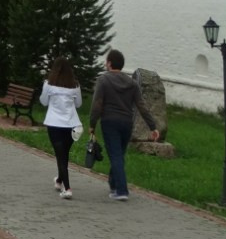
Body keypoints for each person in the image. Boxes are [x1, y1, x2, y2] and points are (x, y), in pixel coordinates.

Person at [88, 48, 160, 202]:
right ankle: (113, 184)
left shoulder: (103, 80)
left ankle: (121, 190)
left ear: (109, 63)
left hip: (109, 122)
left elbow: (97, 105)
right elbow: (142, 106)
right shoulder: (132, 83)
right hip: (127, 123)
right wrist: (153, 127)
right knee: (119, 155)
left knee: (115, 155)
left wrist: (92, 124)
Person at [40, 56, 82, 199]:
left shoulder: (48, 84)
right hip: (71, 124)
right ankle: (59, 180)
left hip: (54, 124)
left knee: (61, 156)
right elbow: (79, 105)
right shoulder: (75, 85)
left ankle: (68, 188)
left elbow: (44, 102)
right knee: (64, 154)